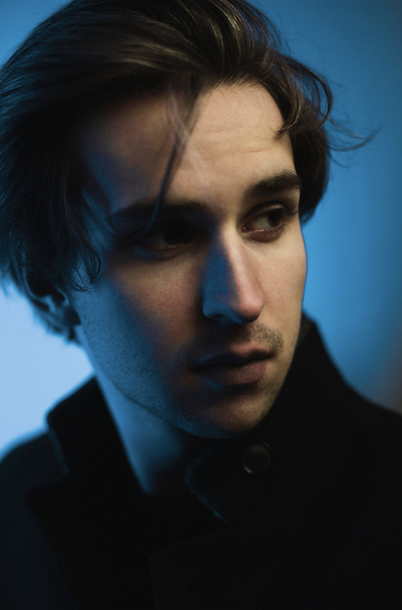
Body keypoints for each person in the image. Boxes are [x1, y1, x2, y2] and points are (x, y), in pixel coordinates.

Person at [0, 0, 401, 608]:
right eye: (167, 235)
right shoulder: (11, 516)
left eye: (269, 217)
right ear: (50, 289)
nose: (241, 300)